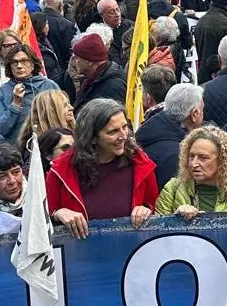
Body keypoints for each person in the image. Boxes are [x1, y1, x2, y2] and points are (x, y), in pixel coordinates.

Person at [45, 99, 159, 237]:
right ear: (92, 138)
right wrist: (58, 213)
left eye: (124, 127)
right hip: (80, 254)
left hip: (131, 252)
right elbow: (43, 215)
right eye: (113, 132)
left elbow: (156, 208)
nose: (123, 136)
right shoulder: (61, 170)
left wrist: (146, 209)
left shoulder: (141, 164)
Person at [155, 125, 227, 218]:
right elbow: (156, 234)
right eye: (191, 156)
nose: (194, 164)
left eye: (203, 158)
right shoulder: (172, 189)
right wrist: (175, 218)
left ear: (222, 160)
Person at [0, 45, 62, 143]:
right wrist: (15, 105)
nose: (19, 66)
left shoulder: (49, 86)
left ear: (33, 64)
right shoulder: (1, 92)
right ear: (9, 66)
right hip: (16, 151)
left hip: (47, 146)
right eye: (14, 62)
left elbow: (62, 118)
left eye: (24, 61)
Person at [136, 84, 205, 188]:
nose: (203, 115)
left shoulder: (151, 128)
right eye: (202, 110)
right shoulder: (177, 155)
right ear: (194, 114)